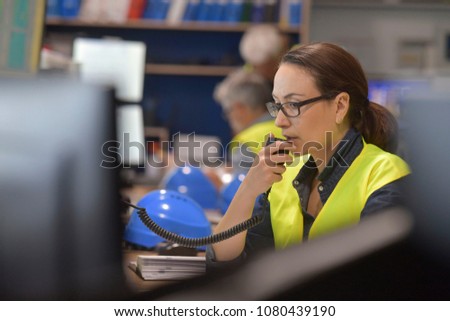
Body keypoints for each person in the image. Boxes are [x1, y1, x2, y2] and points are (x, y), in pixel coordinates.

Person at [207, 42, 410, 266]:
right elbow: (226, 264)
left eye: (293, 105)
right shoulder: (283, 175)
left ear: (340, 106)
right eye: (277, 105)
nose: (279, 121)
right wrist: (247, 190)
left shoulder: (386, 175)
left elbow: (380, 282)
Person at [214, 69, 282, 172]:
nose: (228, 118)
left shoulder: (246, 142)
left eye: (228, 111)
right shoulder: (288, 125)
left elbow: (239, 186)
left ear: (239, 109)